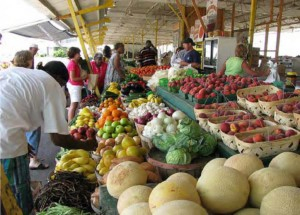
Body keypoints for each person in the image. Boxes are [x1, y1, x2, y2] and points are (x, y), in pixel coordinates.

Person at [0, 59, 97, 215]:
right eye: (62, 85)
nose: (62, 89)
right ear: (58, 78)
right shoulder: (52, 85)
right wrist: (87, 145)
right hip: (5, 141)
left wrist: (22, 140)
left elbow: (10, 105)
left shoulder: (21, 72)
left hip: (7, 131)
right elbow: (58, 139)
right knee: (15, 197)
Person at [12, 51, 49, 170]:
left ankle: (25, 158)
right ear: (29, 61)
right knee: (33, 130)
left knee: (19, 134)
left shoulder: (9, 73)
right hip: (25, 108)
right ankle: (33, 160)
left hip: (11, 110)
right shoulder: (30, 74)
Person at [66, 47, 87, 122]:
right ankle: (70, 123)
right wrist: (83, 78)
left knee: (75, 104)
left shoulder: (75, 63)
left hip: (76, 86)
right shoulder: (72, 64)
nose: (79, 55)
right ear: (74, 54)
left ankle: (72, 121)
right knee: (74, 104)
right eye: (78, 53)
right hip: (74, 86)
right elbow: (73, 78)